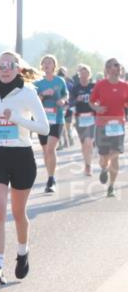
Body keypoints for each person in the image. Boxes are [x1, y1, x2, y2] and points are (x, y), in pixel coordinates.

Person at [0, 52, 49, 285]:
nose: (5, 68)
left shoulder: (27, 93)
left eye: (10, 65)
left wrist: (18, 119)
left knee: (18, 212)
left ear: (18, 69)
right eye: (1, 65)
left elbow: (44, 128)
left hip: (21, 156)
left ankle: (22, 252)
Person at [90, 57, 128, 198]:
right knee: (103, 157)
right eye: (114, 65)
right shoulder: (100, 85)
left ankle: (111, 186)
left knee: (116, 155)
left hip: (118, 124)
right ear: (107, 69)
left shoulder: (125, 86)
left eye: (118, 65)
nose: (117, 68)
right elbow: (92, 101)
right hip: (102, 124)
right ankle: (104, 168)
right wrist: (97, 108)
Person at [33, 54, 68, 193]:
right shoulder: (37, 83)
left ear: (54, 66)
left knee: (50, 149)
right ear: (41, 66)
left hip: (57, 119)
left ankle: (51, 179)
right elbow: (33, 101)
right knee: (45, 150)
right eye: (45, 63)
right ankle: (49, 174)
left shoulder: (60, 81)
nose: (47, 65)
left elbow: (66, 94)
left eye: (50, 62)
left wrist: (63, 101)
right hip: (42, 120)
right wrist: (43, 95)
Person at [68, 64, 96, 176]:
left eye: (86, 74)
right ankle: (87, 163)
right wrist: (77, 100)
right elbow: (70, 103)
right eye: (82, 74)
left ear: (89, 75)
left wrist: (96, 103)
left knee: (89, 142)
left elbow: (100, 99)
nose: (84, 76)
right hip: (80, 118)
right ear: (79, 75)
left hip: (92, 117)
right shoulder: (75, 88)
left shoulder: (94, 86)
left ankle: (88, 166)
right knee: (84, 144)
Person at [57, 66, 76, 149]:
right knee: (60, 126)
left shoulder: (70, 85)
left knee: (67, 126)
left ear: (65, 75)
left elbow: (73, 97)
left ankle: (69, 140)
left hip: (68, 108)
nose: (61, 76)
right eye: (59, 74)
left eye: (62, 74)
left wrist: (69, 105)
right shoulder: (56, 84)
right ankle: (61, 143)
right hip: (59, 108)